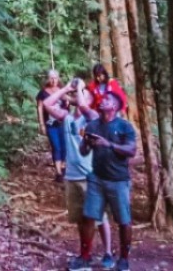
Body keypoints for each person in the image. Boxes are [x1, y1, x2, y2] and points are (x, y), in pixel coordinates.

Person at [45, 78, 114, 270]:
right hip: (72, 177)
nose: (79, 96)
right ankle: (86, 255)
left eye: (84, 94)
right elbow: (47, 103)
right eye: (78, 94)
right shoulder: (67, 118)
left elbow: (84, 106)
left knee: (98, 218)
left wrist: (82, 89)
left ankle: (107, 252)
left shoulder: (92, 118)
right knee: (81, 219)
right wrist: (66, 88)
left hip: (90, 176)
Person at [76, 88, 138, 271]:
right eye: (103, 98)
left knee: (123, 220)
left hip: (118, 180)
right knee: (88, 216)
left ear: (116, 106)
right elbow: (83, 151)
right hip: (97, 178)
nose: (103, 100)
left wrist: (109, 144)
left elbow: (131, 151)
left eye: (108, 99)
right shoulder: (93, 125)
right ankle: (85, 256)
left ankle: (124, 259)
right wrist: (86, 142)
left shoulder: (124, 126)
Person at [37, 70, 67, 180]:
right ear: (48, 79)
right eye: (51, 78)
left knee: (64, 146)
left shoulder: (61, 91)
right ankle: (58, 173)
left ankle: (63, 167)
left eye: (55, 78)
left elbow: (67, 104)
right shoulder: (43, 93)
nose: (53, 80)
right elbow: (40, 108)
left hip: (62, 123)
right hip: (50, 124)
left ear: (58, 78)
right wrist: (41, 124)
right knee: (56, 146)